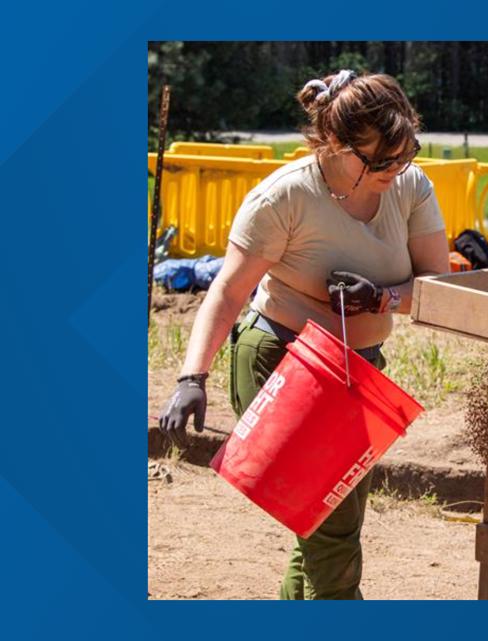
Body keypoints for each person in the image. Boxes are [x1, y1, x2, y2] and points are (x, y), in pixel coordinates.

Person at [157, 70, 449, 599]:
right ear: (336, 144)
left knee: (323, 518)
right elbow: (227, 291)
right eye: (380, 160)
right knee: (332, 523)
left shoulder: (410, 185)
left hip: (357, 369)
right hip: (281, 360)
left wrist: (382, 298)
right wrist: (191, 377)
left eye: (405, 154)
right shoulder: (284, 198)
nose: (396, 169)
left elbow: (438, 286)